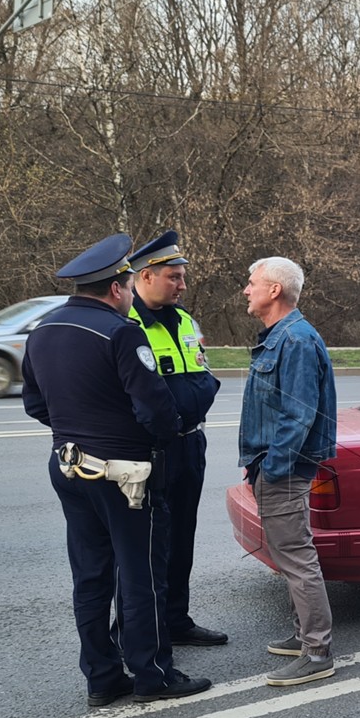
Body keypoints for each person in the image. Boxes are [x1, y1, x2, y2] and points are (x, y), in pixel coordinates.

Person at [21, 233, 212, 707]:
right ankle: (153, 675)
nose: (128, 295)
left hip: (68, 465)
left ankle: (102, 677)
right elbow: (156, 411)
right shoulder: (121, 332)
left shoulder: (43, 330)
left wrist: (78, 431)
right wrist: (154, 438)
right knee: (143, 574)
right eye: (127, 286)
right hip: (126, 473)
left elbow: (34, 403)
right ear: (116, 288)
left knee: (90, 575)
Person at [239, 256, 338, 686]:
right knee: (288, 554)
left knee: (296, 557)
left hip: (284, 468)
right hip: (273, 465)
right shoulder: (282, 336)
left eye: (253, 282)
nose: (246, 289)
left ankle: (317, 652)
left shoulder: (294, 340)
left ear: (274, 290)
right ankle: (304, 635)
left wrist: (274, 470)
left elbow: (296, 414)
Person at [126, 231, 227, 648]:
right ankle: (149, 631)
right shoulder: (126, 325)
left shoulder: (184, 319)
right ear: (145, 277)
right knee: (152, 543)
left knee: (183, 533)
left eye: (182, 276)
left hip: (190, 444)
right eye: (174, 277)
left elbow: (205, 376)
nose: (182, 284)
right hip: (153, 450)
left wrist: (194, 402)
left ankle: (177, 619)